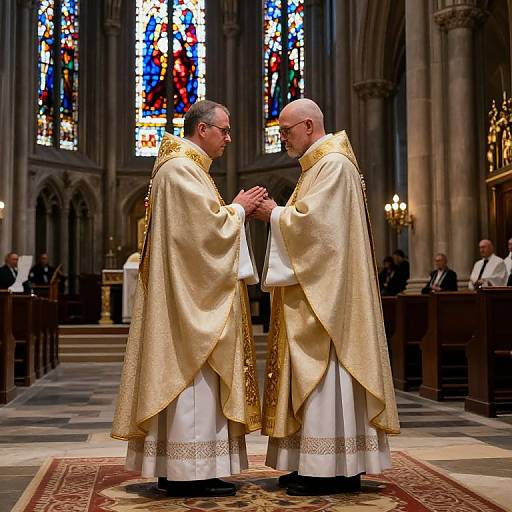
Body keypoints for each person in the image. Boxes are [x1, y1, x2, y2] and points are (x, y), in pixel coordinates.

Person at [111, 100, 264, 498]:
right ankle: (190, 471)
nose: (229, 138)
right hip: (190, 306)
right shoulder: (181, 169)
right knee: (195, 385)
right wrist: (239, 210)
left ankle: (183, 469)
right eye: (224, 130)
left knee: (198, 388)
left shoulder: (188, 169)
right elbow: (202, 234)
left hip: (191, 294)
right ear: (202, 130)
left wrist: (230, 210)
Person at [253, 98, 399, 497]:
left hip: (330, 303)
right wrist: (284, 216)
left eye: (285, 130)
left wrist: (275, 215)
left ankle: (333, 469)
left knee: (326, 379)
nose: (282, 137)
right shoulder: (316, 166)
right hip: (313, 294)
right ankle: (309, 463)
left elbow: (320, 232)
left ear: (308, 126)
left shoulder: (334, 165)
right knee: (311, 381)